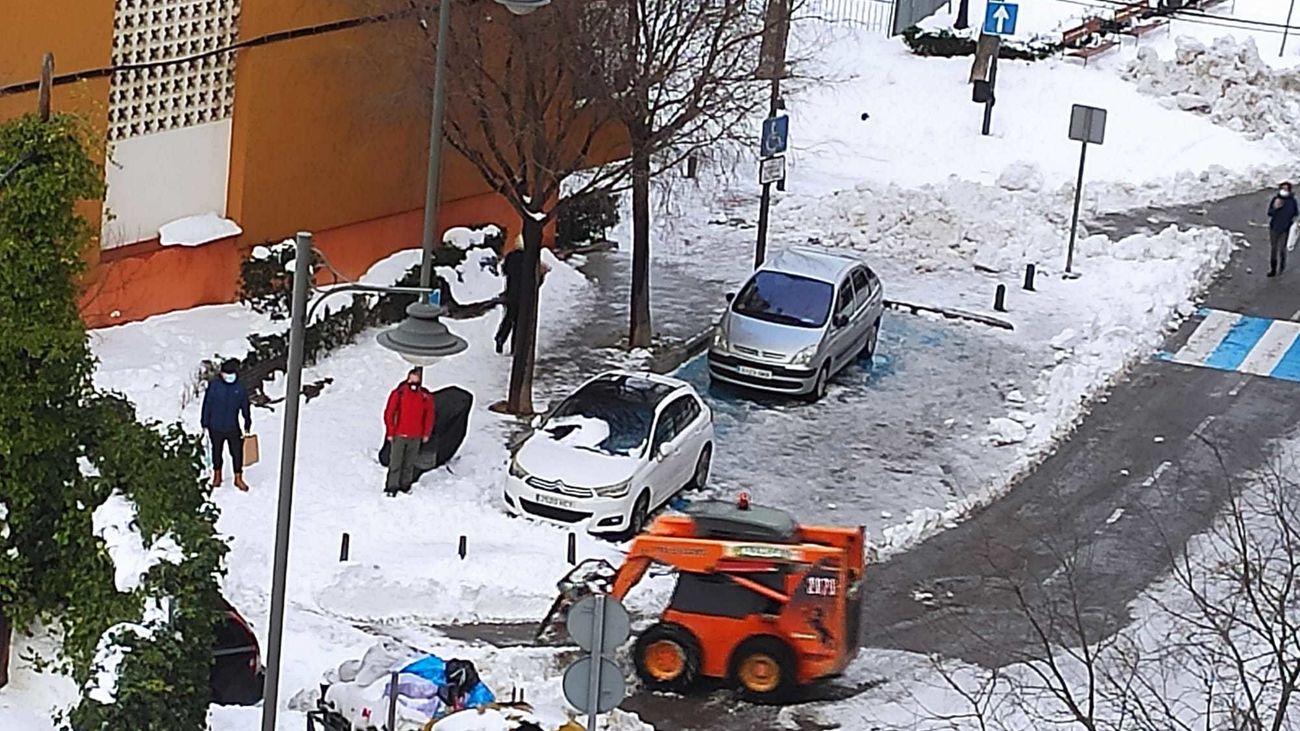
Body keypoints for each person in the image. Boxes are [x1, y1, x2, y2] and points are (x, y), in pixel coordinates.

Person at [201, 358, 252, 491]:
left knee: (237, 453)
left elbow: (245, 405)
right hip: (215, 427)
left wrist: (247, 421)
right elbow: (207, 404)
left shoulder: (239, 388)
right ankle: (217, 476)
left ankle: (238, 478)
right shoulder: (215, 386)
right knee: (216, 452)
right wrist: (204, 422)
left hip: (233, 426)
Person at [494, 238, 551, 354]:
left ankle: (500, 337)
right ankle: (515, 347)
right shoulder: (530, 259)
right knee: (520, 322)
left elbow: (505, 271)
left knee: (509, 317)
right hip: (524, 295)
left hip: (511, 292)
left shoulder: (510, 257)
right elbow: (535, 279)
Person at [383, 367, 435, 495]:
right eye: (411, 380)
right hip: (399, 434)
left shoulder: (425, 396)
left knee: (409, 463)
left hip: (415, 435)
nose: (413, 384)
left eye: (416, 381)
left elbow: (429, 415)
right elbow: (389, 413)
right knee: (395, 462)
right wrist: (390, 431)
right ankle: (392, 487)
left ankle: (405, 486)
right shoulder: (399, 393)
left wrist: (426, 433)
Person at [1267, 181, 1298, 277]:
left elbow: (1296, 213)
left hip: (1285, 228)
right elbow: (1270, 213)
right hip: (1274, 227)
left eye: (1286, 189)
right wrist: (1276, 208)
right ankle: (1273, 269)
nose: (1284, 191)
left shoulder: (1292, 201)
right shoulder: (1276, 199)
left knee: (1282, 249)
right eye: (1282, 188)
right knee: (1274, 249)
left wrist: (1293, 223)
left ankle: (1282, 267)